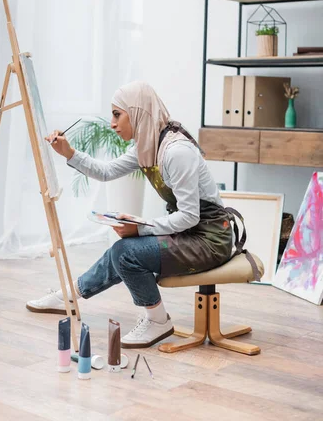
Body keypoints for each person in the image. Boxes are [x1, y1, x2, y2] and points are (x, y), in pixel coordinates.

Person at [26, 81, 235, 348]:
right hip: (190, 234)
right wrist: (68, 152)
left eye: (117, 114)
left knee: (125, 252)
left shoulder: (176, 152)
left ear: (137, 112)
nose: (112, 123)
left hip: (210, 240)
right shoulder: (149, 144)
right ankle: (69, 296)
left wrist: (141, 227)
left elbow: (190, 217)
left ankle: (158, 320)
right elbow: (105, 172)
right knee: (120, 251)